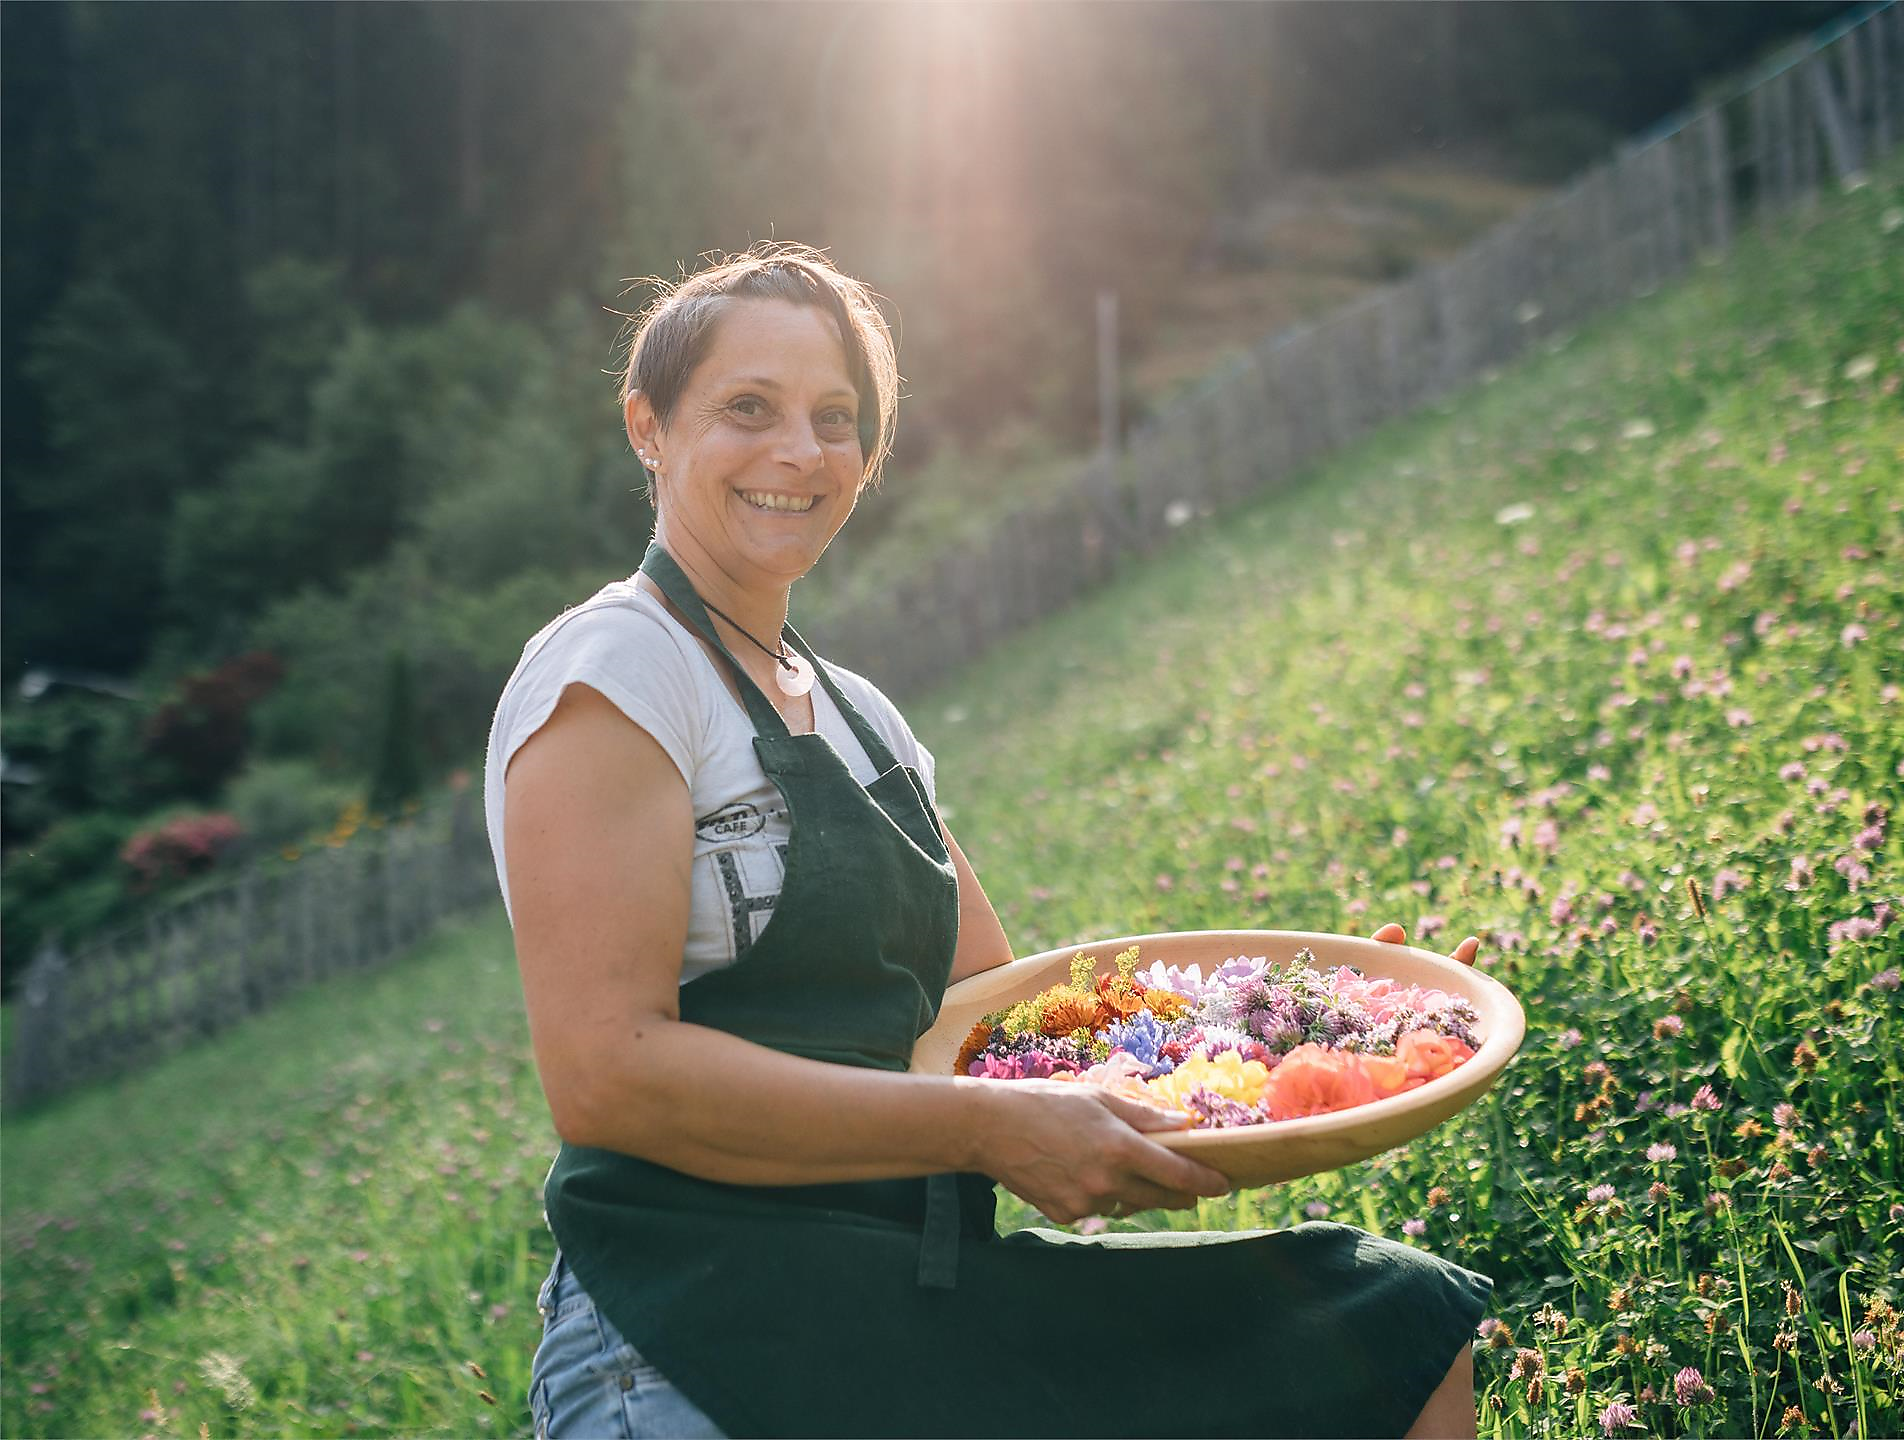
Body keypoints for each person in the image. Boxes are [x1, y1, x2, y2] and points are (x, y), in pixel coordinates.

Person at [483, 242, 1491, 1440]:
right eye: (748, 410)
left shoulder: (866, 721)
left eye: (835, 418)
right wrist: (981, 1131)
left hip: (910, 1296)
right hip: (684, 1334)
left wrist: (1321, 1023)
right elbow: (608, 1076)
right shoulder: (618, 671)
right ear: (649, 426)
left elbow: (1007, 1024)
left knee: (1386, 1322)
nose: (801, 452)